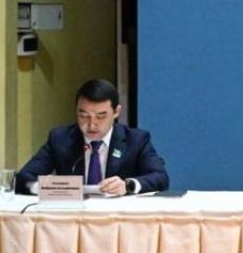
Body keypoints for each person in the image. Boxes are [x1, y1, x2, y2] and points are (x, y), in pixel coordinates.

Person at [15, 79, 169, 196]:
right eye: (84, 115)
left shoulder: (136, 140)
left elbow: (160, 177)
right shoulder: (60, 139)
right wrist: (47, 187)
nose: (91, 124)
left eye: (100, 116)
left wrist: (127, 185)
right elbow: (23, 178)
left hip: (117, 217)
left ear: (116, 112)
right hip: (72, 217)